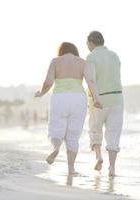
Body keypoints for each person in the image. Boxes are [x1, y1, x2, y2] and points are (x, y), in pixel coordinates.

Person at [35, 42, 102, 175]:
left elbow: (48, 82)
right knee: (73, 135)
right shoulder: (82, 62)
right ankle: (71, 168)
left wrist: (41, 93)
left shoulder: (55, 61)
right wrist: (96, 99)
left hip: (59, 98)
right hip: (78, 99)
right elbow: (91, 82)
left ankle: (55, 148)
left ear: (61, 51)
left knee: (56, 128)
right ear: (74, 51)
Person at [86, 31, 124, 176]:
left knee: (95, 129)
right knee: (113, 134)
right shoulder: (114, 55)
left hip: (99, 99)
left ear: (90, 43)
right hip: (117, 99)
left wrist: (96, 98)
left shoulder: (91, 57)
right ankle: (112, 168)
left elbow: (91, 80)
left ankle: (99, 156)